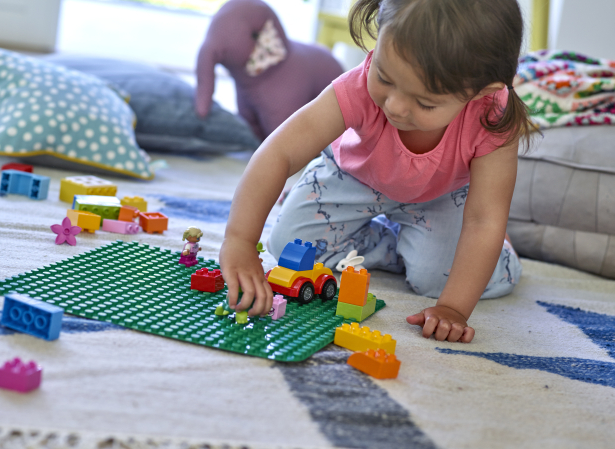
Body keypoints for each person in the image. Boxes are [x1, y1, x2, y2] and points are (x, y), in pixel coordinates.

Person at [219, 0, 535, 343]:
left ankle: (500, 254)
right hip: (354, 176)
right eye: (384, 76)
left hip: (442, 196)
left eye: (425, 102)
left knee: (437, 280)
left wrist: (454, 308)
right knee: (290, 249)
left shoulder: (494, 120)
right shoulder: (356, 87)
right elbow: (278, 151)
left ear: (481, 92)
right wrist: (239, 240)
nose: (395, 106)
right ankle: (392, 243)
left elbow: (484, 220)